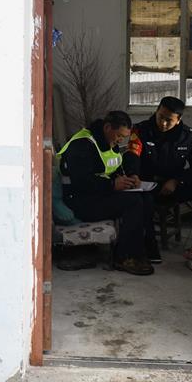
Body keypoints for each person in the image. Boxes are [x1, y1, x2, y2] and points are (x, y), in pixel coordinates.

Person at [57, 111, 155, 276]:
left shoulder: (109, 141)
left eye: (124, 137)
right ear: (108, 127)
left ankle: (145, 250)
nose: (120, 140)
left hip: (97, 195)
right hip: (78, 201)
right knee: (133, 203)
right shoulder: (82, 144)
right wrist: (112, 184)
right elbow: (81, 182)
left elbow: (113, 167)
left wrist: (129, 179)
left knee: (145, 197)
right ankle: (124, 256)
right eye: (119, 136)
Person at [125, 96, 192, 250]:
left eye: (169, 120)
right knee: (141, 199)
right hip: (147, 185)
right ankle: (148, 243)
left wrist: (177, 180)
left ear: (178, 120)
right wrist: (134, 175)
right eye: (161, 117)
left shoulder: (188, 137)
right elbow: (132, 155)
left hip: (174, 186)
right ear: (156, 111)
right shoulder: (140, 131)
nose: (163, 123)